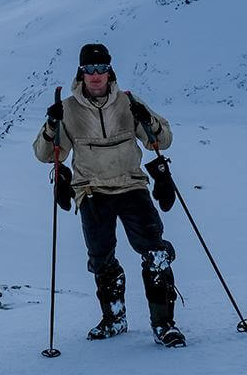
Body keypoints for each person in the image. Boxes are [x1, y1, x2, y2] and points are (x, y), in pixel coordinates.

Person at [32, 42, 186, 348]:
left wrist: (147, 119)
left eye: (101, 68)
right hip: (91, 190)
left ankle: (164, 325)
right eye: (89, 69)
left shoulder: (128, 103)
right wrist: (52, 127)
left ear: (109, 70)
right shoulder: (67, 109)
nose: (96, 75)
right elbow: (45, 154)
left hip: (131, 184)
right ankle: (115, 319)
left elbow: (163, 140)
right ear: (81, 72)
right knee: (101, 259)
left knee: (154, 252)